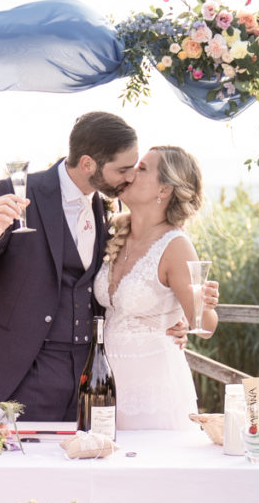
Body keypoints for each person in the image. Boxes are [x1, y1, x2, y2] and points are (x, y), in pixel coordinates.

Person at [0, 112, 185, 420]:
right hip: (19, 373)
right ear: (88, 164)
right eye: (123, 169)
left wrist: (171, 322)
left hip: (85, 379)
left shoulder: (107, 207)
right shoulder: (18, 192)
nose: (130, 178)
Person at [94, 145, 219, 430]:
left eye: (142, 169)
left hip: (154, 391)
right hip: (107, 388)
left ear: (164, 189)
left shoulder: (176, 245)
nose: (130, 173)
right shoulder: (111, 233)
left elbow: (206, 326)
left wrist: (205, 305)